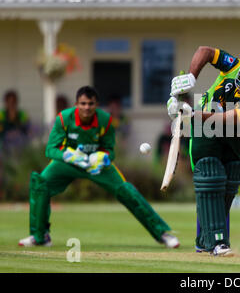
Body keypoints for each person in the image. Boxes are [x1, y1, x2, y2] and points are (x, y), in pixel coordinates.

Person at [18, 86, 179, 248]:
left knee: (126, 190)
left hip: (96, 165)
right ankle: (40, 237)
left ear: (96, 105)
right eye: (83, 104)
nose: (86, 107)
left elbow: (110, 150)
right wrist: (68, 155)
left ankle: (162, 234)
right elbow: (51, 149)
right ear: (76, 104)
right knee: (41, 182)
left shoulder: (105, 120)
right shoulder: (64, 118)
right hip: (70, 162)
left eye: (90, 104)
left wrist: (103, 158)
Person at [167, 46, 240, 256]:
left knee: (230, 181)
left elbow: (225, 119)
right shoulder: (233, 65)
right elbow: (205, 51)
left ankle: (203, 241)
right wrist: (190, 78)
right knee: (210, 175)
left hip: (229, 136)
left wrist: (191, 114)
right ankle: (218, 243)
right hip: (203, 133)